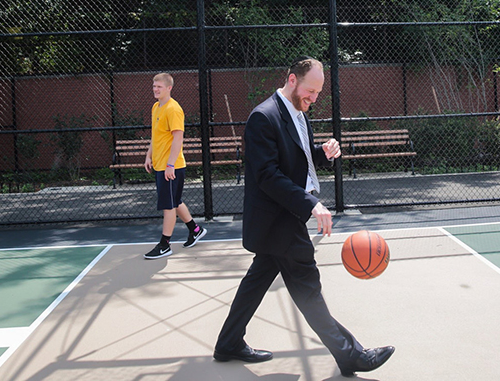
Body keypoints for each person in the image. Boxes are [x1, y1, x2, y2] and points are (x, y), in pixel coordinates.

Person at [213, 57, 394, 378]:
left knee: (256, 282)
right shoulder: (263, 118)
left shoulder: (296, 114)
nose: (314, 98)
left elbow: (296, 158)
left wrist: (321, 153)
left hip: (280, 220)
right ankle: (351, 355)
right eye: (310, 91)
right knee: (307, 287)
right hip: (280, 220)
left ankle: (228, 342)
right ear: (292, 80)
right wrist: (312, 203)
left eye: (318, 92)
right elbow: (268, 175)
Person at [143, 73, 206, 259]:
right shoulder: (156, 107)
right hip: (161, 164)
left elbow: (178, 138)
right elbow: (156, 136)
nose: (155, 89)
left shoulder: (173, 109)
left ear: (169, 88)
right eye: (154, 86)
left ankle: (165, 244)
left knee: (168, 205)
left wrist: (170, 165)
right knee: (175, 201)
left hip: (172, 167)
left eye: (159, 87)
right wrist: (149, 155)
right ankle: (194, 229)